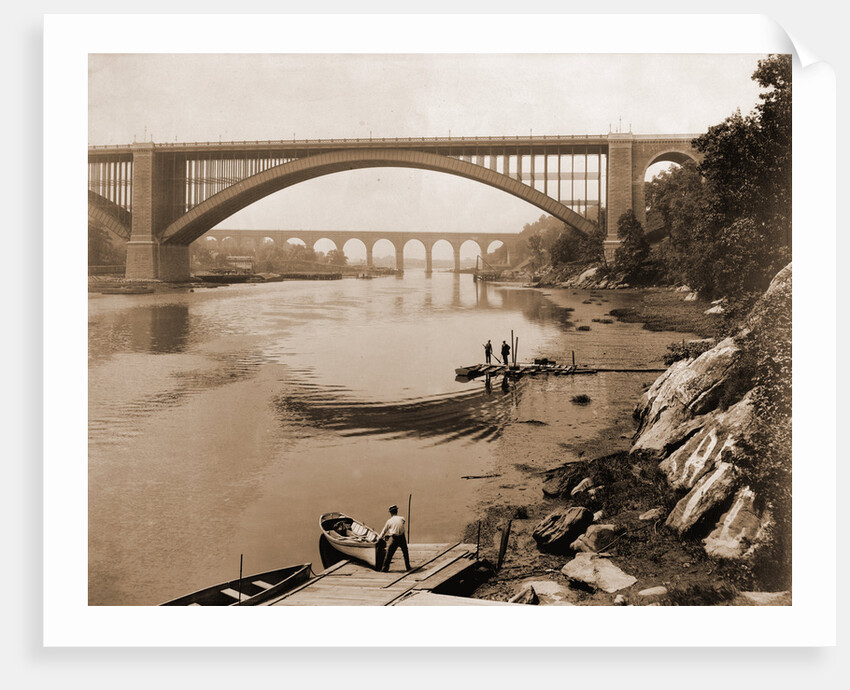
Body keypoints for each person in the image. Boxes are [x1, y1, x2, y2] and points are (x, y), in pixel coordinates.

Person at [377, 504, 411, 572]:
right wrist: (390, 534)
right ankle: (408, 567)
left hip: (395, 538)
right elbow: (400, 525)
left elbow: (383, 531)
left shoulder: (389, 521)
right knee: (405, 552)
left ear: (390, 513)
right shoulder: (402, 518)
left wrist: (379, 539)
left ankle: (384, 568)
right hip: (402, 537)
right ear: (397, 511)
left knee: (389, 553)